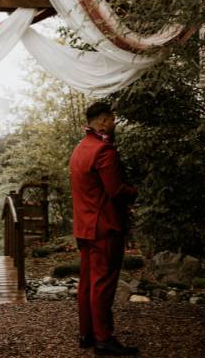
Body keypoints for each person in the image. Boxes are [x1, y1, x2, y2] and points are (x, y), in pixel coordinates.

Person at [69, 101, 138, 356]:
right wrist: (134, 191)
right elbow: (115, 190)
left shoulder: (79, 149)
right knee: (103, 284)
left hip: (84, 227)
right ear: (102, 121)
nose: (115, 122)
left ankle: (87, 334)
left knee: (87, 282)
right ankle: (104, 339)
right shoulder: (104, 151)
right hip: (104, 227)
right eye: (112, 119)